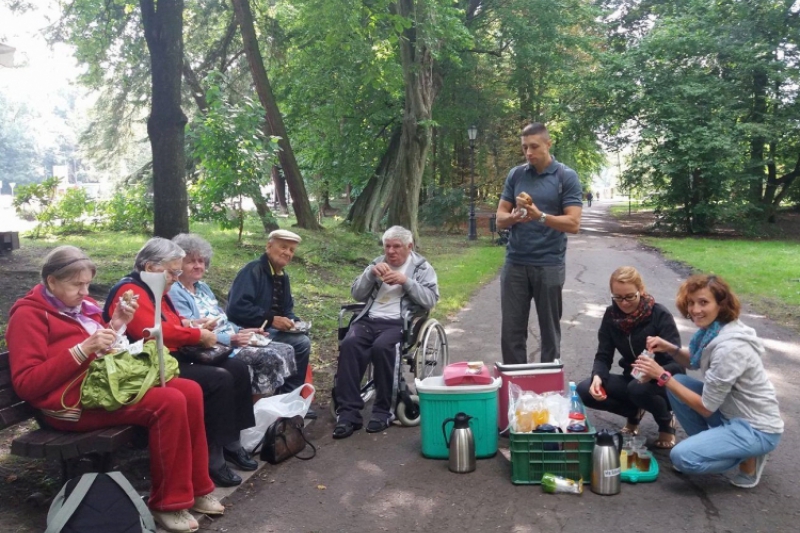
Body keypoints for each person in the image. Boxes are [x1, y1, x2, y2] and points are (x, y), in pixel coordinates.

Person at [6, 246, 223, 533]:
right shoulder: (29, 316)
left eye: (87, 283)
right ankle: (168, 503)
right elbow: (27, 384)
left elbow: (101, 348)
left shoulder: (78, 308)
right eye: (76, 284)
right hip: (66, 404)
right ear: (51, 282)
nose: (85, 292)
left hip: (100, 389)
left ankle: (197, 487)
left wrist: (117, 324)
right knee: (167, 402)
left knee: (189, 390)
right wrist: (82, 350)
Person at [104, 238, 258, 489]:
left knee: (237, 369)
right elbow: (150, 331)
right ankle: (213, 458)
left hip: (170, 356)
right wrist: (197, 335)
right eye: (173, 271)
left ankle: (231, 443)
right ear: (151, 267)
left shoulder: (157, 289)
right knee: (219, 379)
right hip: (147, 364)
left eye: (177, 272)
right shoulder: (131, 291)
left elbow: (172, 323)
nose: (176, 277)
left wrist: (192, 325)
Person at [636, 274, 783, 488]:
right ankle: (718, 446)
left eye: (703, 302)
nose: (695, 310)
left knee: (682, 458)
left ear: (721, 304)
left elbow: (706, 408)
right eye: (691, 302)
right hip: (731, 414)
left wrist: (661, 375)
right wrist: (671, 348)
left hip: (757, 428)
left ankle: (749, 456)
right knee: (680, 383)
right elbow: (695, 362)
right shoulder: (714, 331)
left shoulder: (730, 348)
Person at [332, 226, 439, 439]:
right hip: (369, 319)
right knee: (350, 345)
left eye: (396, 246)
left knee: (383, 348)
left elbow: (430, 299)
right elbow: (356, 294)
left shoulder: (421, 267)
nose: (391, 251)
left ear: (409, 247)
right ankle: (348, 414)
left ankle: (383, 411)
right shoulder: (377, 263)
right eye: (387, 246)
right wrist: (370, 275)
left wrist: (406, 282)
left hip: (399, 322)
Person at [169, 233, 297, 402]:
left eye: (201, 261)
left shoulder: (203, 287)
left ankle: (271, 405)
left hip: (231, 337)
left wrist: (244, 331)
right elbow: (192, 330)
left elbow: (222, 318)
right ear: (178, 265)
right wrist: (232, 338)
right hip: (211, 346)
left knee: (287, 349)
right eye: (191, 261)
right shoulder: (174, 291)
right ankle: (252, 411)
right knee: (268, 357)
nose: (198, 266)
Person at [495, 122, 583, 364]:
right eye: (525, 148)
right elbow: (500, 219)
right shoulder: (516, 174)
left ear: (548, 144)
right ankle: (515, 390)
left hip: (549, 264)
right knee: (511, 333)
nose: (529, 153)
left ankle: (546, 390)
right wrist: (514, 217)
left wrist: (540, 216)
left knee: (549, 334)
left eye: (534, 146)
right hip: (515, 264)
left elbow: (574, 223)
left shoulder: (566, 176)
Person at [577, 266, 684, 448]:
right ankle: (633, 412)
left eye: (629, 296)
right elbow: (603, 355)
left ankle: (666, 422)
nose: (624, 303)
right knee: (584, 390)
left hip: (663, 381)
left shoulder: (659, 315)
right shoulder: (611, 316)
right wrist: (598, 377)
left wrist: (655, 373)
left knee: (638, 389)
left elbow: (678, 365)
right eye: (618, 297)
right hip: (632, 378)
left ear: (641, 290)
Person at [226, 229, 313, 416]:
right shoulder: (253, 270)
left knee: (301, 337)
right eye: (283, 247)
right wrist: (271, 319)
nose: (287, 253)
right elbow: (236, 307)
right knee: (301, 343)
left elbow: (287, 308)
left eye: (291, 250)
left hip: (267, 331)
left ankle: (291, 399)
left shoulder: (283, 276)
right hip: (246, 331)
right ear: (268, 246)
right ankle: (288, 399)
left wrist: (294, 322)